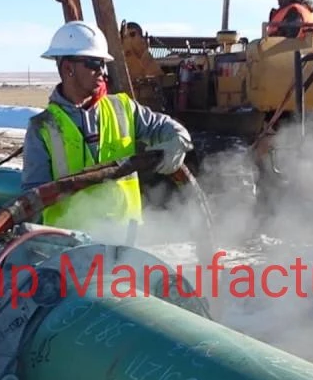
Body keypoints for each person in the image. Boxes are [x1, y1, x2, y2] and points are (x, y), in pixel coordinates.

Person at [21, 20, 192, 242]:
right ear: (68, 68)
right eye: (93, 63)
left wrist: (177, 139)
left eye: (103, 63)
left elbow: (166, 127)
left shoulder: (123, 108)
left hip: (127, 244)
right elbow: (34, 202)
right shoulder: (43, 128)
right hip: (71, 253)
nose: (102, 71)